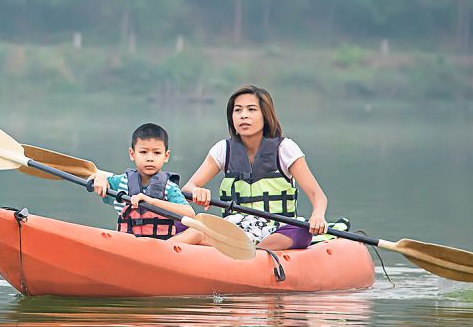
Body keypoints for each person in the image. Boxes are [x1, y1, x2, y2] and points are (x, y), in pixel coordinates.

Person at [170, 85, 328, 251]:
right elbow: (187, 189)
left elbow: (317, 195)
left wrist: (317, 215)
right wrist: (196, 191)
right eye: (237, 110)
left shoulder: (285, 148)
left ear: (265, 116)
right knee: (181, 222)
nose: (243, 115)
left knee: (301, 230)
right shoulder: (223, 149)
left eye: (251, 109)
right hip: (234, 230)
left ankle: (251, 252)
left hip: (276, 230)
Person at [86, 123, 194, 239]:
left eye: (157, 153)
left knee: (196, 233)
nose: (150, 158)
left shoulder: (169, 187)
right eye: (143, 152)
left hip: (161, 247)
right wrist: (99, 177)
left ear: (166, 156)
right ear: (132, 154)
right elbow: (95, 177)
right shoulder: (122, 182)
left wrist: (151, 201)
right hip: (127, 244)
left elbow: (189, 213)